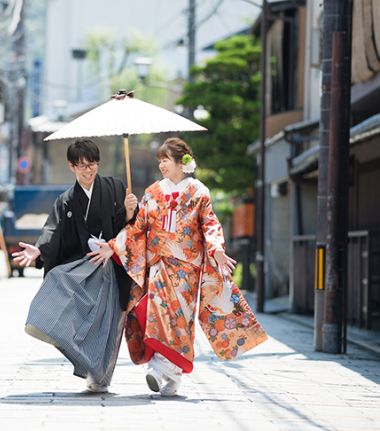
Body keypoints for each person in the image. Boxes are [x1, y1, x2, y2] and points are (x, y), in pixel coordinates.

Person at [88, 137, 267, 397]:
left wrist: (216, 248)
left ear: (183, 162)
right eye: (159, 160)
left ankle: (170, 375)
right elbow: (139, 228)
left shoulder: (198, 192)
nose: (161, 165)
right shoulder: (152, 192)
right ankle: (161, 369)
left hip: (187, 270)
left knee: (180, 320)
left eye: (166, 160)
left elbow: (210, 224)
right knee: (156, 312)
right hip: (159, 266)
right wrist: (113, 245)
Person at [12, 138, 138, 393]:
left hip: (111, 264)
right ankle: (83, 359)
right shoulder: (67, 199)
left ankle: (100, 377)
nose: (87, 170)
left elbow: (132, 228)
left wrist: (127, 213)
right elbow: (54, 230)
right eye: (81, 165)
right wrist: (40, 249)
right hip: (84, 265)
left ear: (98, 163)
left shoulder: (115, 188)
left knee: (110, 321)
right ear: (71, 166)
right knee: (60, 283)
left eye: (91, 164)